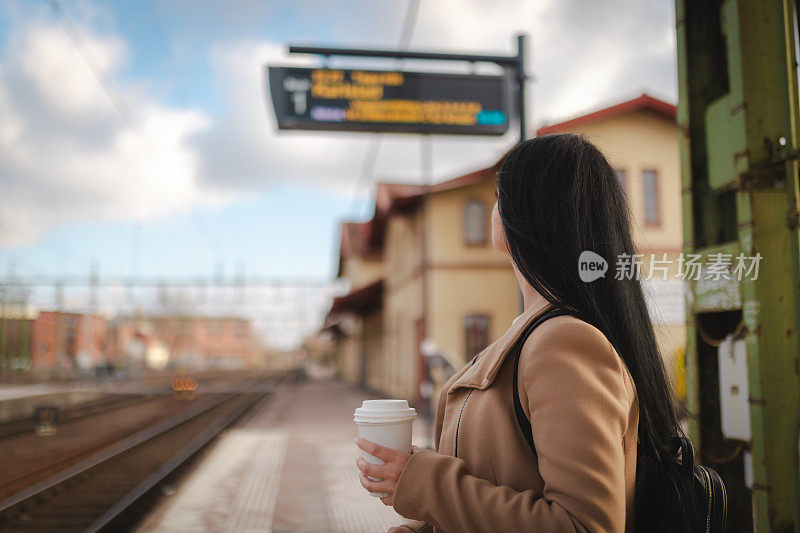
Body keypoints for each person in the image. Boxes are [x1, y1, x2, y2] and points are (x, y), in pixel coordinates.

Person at [354, 134, 693, 532]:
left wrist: (420, 480)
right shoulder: (530, 335)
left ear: (521, 214)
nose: (494, 210)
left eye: (498, 196)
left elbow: (583, 525)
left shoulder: (565, 343)